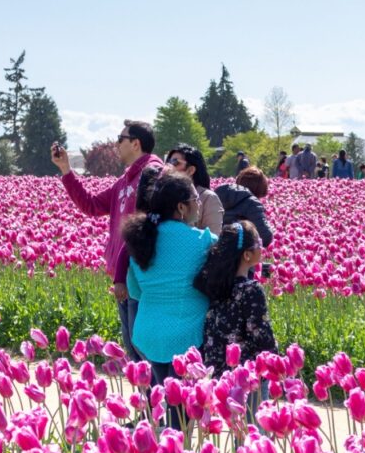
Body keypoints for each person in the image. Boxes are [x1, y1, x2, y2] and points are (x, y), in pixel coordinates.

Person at [52, 119, 163, 364]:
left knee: (143, 348)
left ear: (135, 143)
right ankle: (147, 402)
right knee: (134, 350)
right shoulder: (125, 180)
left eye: (120, 139)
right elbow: (91, 205)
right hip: (122, 274)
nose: (116, 144)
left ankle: (156, 401)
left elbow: (147, 227)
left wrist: (123, 274)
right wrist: (66, 171)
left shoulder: (153, 175)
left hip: (140, 273)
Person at [122, 170, 215, 429]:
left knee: (161, 404)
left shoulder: (141, 240)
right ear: (181, 207)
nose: (199, 204)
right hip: (186, 337)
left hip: (147, 333)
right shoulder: (204, 242)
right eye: (196, 199)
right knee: (182, 419)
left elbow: (135, 291)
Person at [196, 219, 278, 421]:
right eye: (258, 243)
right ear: (247, 255)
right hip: (248, 375)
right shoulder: (251, 290)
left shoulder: (214, 285)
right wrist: (279, 364)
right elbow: (262, 335)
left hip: (221, 373)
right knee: (252, 434)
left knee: (236, 428)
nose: (263, 247)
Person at [165, 143, 224, 235]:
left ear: (191, 170)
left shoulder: (209, 198)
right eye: (167, 162)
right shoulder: (163, 196)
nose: (169, 167)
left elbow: (213, 240)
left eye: (175, 162)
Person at [226, 167, 276, 248]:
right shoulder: (252, 203)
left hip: (220, 249)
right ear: (260, 187)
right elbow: (265, 238)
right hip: (239, 253)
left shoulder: (222, 197)